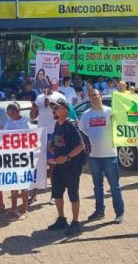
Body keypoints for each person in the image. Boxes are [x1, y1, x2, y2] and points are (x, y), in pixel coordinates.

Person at [79, 89, 125, 224]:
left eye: (96, 95)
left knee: (114, 186)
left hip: (110, 154)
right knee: (97, 186)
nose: (94, 97)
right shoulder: (86, 115)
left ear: (100, 96)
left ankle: (119, 213)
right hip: (94, 156)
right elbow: (81, 133)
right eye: (91, 95)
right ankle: (99, 211)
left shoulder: (110, 111)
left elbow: (122, 124)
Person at [47, 98, 85, 236]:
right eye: (53, 108)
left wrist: (67, 157)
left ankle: (75, 223)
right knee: (57, 192)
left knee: (73, 193)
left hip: (71, 166)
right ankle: (61, 219)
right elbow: (57, 140)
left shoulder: (71, 125)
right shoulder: (57, 124)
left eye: (56, 108)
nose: (54, 110)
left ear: (65, 110)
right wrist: (51, 144)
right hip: (58, 166)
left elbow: (81, 146)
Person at [4, 102, 33, 220]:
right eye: (8, 113)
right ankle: (13, 208)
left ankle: (25, 210)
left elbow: (28, 136)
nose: (10, 115)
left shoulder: (25, 121)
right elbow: (2, 136)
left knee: (23, 184)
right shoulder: (8, 122)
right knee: (13, 183)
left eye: (12, 113)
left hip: (23, 156)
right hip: (12, 157)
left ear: (18, 112)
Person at [30, 89, 60, 205]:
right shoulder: (39, 97)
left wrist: (51, 105)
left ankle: (54, 195)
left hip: (53, 133)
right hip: (40, 133)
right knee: (38, 164)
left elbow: (62, 113)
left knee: (53, 166)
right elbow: (33, 117)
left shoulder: (58, 96)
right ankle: (34, 195)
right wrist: (34, 109)